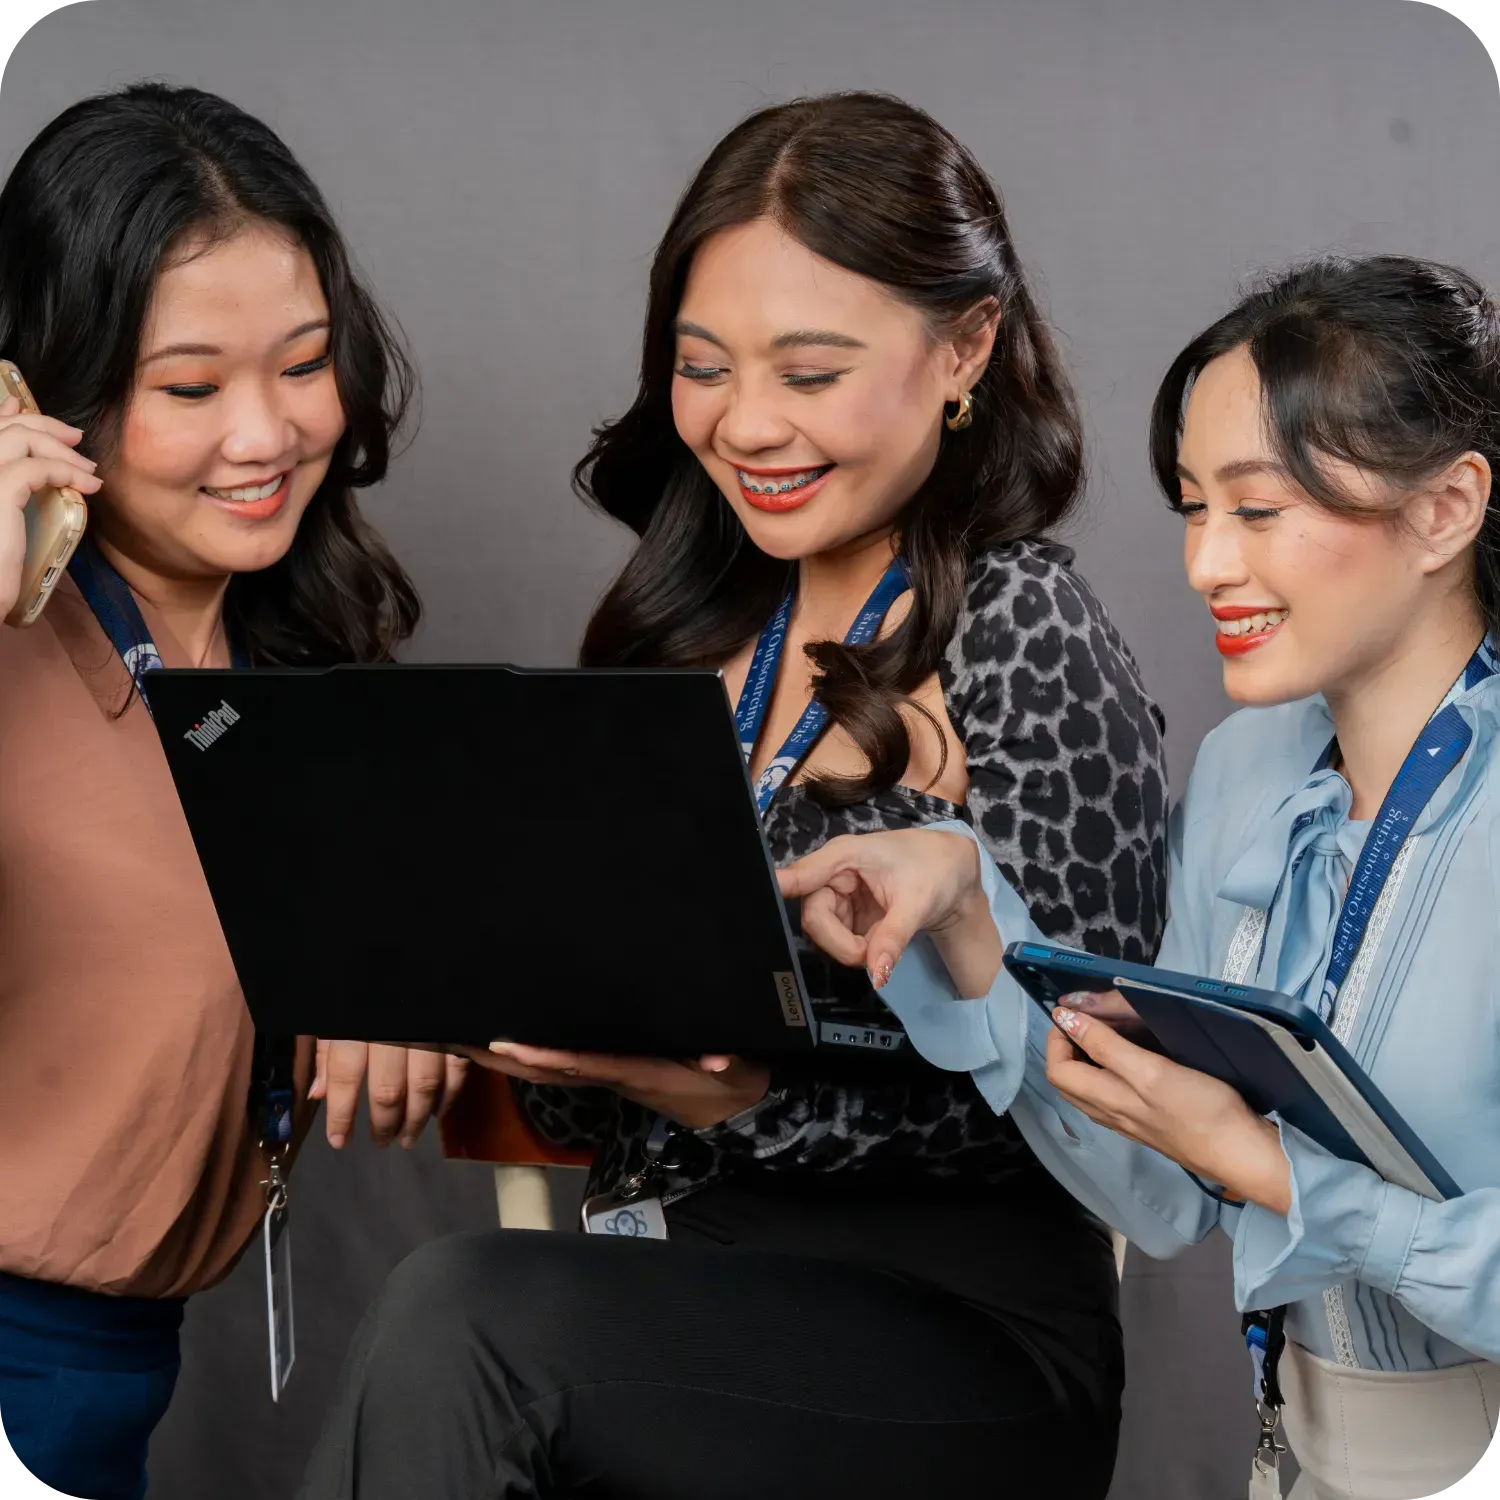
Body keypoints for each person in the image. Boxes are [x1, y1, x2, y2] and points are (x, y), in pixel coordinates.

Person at [298, 91, 1168, 1500]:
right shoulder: (687, 637)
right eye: (702, 366)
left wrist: (735, 1099)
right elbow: (611, 1109)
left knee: (465, 1320)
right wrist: (522, 1024)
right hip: (672, 1296)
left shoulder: (1022, 630)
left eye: (810, 373)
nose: (744, 422)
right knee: (474, 1325)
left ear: (966, 346)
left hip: (961, 1337)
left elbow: (1104, 1091)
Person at [780, 254, 1500, 1500]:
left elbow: (1243, 1169)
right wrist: (971, 913)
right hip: (1299, 1458)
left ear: (1445, 509)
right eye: (1191, 507)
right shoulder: (1243, 775)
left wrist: (1275, 1170)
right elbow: (1167, 1199)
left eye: (1259, 509)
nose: (1206, 565)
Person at [0, 83, 466, 1500]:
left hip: (119, 1368)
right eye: (190, 388)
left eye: (305, 364)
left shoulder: (296, 653)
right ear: (50, 388)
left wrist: (403, 963)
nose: (265, 438)